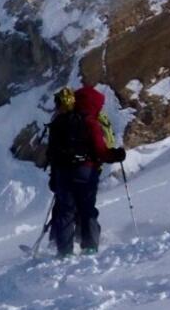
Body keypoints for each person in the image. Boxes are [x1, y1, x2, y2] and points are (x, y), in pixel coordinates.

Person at [44, 86, 125, 256]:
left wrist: (54, 176)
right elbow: (101, 151)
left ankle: (64, 251)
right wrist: (116, 155)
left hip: (63, 173)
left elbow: (52, 153)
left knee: (65, 211)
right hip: (86, 171)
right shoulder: (90, 122)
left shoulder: (58, 122)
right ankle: (89, 246)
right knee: (87, 209)